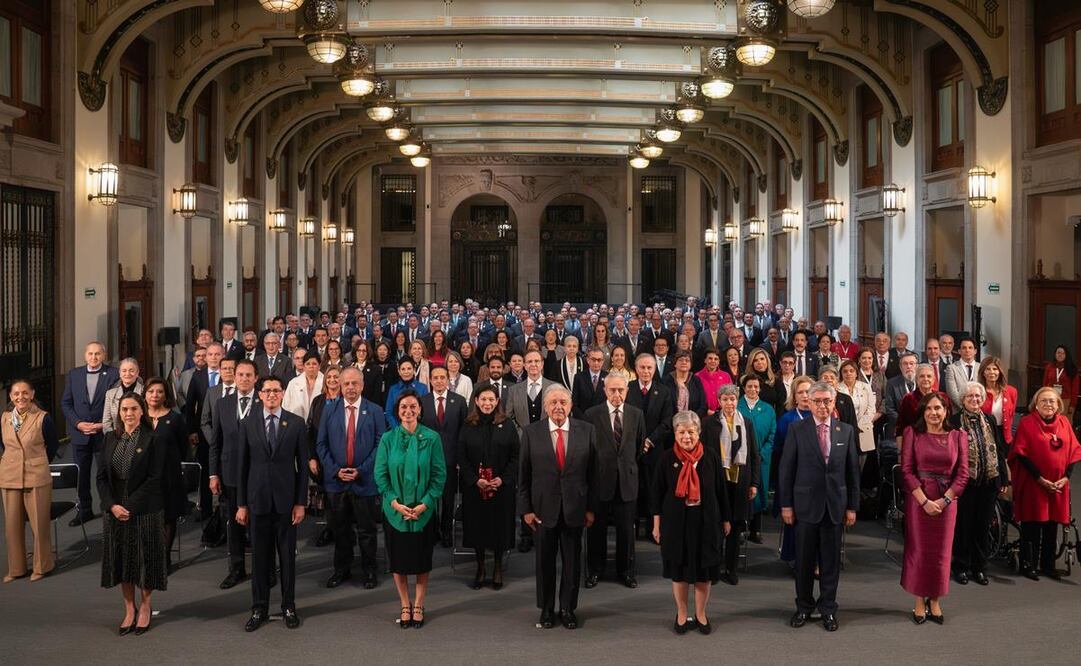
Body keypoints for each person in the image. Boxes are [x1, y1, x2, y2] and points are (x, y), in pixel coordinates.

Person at [778, 381, 860, 632]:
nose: (822, 405)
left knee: (831, 563)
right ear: (809, 402)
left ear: (833, 403)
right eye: (818, 401)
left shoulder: (845, 431)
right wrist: (786, 505)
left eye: (827, 401)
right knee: (803, 562)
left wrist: (852, 507)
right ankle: (803, 607)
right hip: (804, 506)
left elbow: (852, 472)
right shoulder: (796, 429)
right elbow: (786, 470)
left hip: (835, 506)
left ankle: (828, 609)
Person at [519, 385, 597, 630]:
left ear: (571, 405)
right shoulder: (532, 432)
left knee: (573, 564)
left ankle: (567, 609)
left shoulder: (587, 431)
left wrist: (591, 508)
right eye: (553, 402)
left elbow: (594, 474)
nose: (558, 407)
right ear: (545, 407)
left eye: (563, 402)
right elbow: (524, 475)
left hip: (575, 508)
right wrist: (526, 510)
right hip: (542, 510)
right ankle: (546, 609)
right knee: (544, 563)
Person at [236, 376, 308, 632]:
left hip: (287, 503)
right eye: (267, 391)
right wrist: (241, 504)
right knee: (259, 559)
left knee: (287, 558)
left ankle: (288, 606)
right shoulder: (247, 424)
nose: (271, 395)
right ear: (259, 394)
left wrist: (301, 503)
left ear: (283, 393)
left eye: (276, 391)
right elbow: (242, 467)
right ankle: (259, 608)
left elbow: (302, 469)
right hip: (257, 502)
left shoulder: (296, 424)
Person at [651, 410, 731, 634]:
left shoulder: (712, 456)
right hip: (676, 523)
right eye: (682, 432)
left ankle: (701, 613)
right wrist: (656, 525)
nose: (687, 436)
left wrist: (726, 519)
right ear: (675, 434)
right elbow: (656, 494)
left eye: (691, 432)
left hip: (706, 522)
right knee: (680, 570)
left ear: (699, 433)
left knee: (704, 572)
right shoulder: (666, 458)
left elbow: (720, 491)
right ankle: (682, 613)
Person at [375, 390, 446, 629]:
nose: (408, 411)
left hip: (423, 510)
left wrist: (425, 503)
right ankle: (405, 603)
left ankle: (419, 604)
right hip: (395, 510)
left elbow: (439, 475)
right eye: (403, 407)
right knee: (399, 561)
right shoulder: (387, 439)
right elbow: (380, 474)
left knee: (421, 561)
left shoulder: (433, 438)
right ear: (397, 411)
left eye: (412, 406)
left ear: (420, 409)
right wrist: (395, 503)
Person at [98, 392, 167, 635]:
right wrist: (112, 506)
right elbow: (101, 479)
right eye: (124, 409)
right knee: (122, 560)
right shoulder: (109, 438)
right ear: (119, 413)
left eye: (133, 409)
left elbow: (155, 478)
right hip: (115, 509)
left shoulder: (153, 439)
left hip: (144, 509)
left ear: (142, 411)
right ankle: (129, 608)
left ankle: (146, 606)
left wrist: (130, 506)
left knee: (144, 560)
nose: (128, 414)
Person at [900, 392, 969, 624]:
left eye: (938, 408)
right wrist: (924, 501)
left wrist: (945, 500)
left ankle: (936, 600)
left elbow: (963, 474)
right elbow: (907, 471)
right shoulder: (912, 433)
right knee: (920, 552)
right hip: (919, 500)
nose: (933, 413)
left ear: (946, 411)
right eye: (929, 408)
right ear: (923, 411)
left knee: (941, 554)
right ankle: (919, 600)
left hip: (947, 502)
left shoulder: (959, 436)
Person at [317, 367, 386, 590]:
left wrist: (362, 470)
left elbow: (380, 444)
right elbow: (321, 444)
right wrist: (336, 470)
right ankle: (341, 570)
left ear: (362, 385)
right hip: (336, 482)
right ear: (339, 384)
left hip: (364, 481)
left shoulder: (374, 410)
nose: (350, 388)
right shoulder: (329, 409)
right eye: (346, 383)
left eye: (354, 383)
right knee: (340, 529)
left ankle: (369, 571)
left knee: (367, 531)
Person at [1008, 387, 1081, 580]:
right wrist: (1040, 479)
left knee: (1052, 525)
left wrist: (1066, 477)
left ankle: (1048, 565)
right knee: (1032, 524)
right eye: (1044, 401)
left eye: (1052, 401)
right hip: (1034, 482)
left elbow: (1074, 451)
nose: (1048, 404)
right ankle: (1028, 564)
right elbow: (1020, 454)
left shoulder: (1064, 422)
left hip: (1059, 484)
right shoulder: (1027, 423)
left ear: (1058, 405)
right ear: (1036, 405)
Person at [584, 374, 645, 589]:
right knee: (596, 530)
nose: (617, 394)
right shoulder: (592, 414)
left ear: (627, 391)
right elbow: (588, 451)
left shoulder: (637, 414)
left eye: (621, 390)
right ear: (605, 390)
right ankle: (594, 570)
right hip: (600, 482)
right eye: (613, 390)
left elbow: (638, 447)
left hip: (627, 482)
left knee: (626, 531)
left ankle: (626, 571)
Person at [458, 385, 519, 590]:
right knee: (477, 527)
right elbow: (462, 457)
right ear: (476, 401)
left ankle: (498, 567)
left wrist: (503, 479)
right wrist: (475, 480)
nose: (487, 403)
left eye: (491, 400)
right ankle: (481, 566)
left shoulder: (507, 424)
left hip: (501, 487)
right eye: (483, 399)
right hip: (475, 488)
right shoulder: (468, 425)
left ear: (497, 401)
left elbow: (515, 457)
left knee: (499, 527)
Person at [950, 382, 1009, 586]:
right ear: (963, 400)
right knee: (964, 527)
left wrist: (1003, 478)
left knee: (983, 527)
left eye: (978, 396)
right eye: (970, 397)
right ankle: (960, 566)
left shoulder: (990, 419)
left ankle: (979, 568)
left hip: (989, 482)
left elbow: (999, 450)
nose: (974, 400)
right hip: (966, 483)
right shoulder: (955, 421)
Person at [1, 379, 60, 582]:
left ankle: (42, 566)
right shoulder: (5, 417)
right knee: (12, 526)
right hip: (9, 475)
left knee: (39, 524)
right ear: (10, 396)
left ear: (32, 394)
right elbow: (4, 445)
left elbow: (52, 446)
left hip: (36, 476)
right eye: (16, 393)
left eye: (25, 393)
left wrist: (38, 463)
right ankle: (16, 569)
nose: (21, 397)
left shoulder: (43, 418)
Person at [209, 359, 260, 589]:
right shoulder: (223, 404)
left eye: (249, 375)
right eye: (240, 374)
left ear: (256, 378)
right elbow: (215, 443)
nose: (244, 379)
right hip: (229, 472)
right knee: (234, 524)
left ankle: (263, 569)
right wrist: (213, 474)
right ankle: (236, 568)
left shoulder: (264, 401)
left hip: (258, 474)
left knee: (259, 525)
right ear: (233, 377)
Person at [702, 384, 760, 585]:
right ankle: (714, 569)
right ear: (719, 402)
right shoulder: (709, 423)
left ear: (737, 400)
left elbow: (754, 454)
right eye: (725, 399)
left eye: (733, 399)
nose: (729, 403)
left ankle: (731, 569)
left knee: (735, 528)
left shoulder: (747, 422)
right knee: (716, 527)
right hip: (717, 481)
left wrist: (754, 483)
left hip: (740, 481)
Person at [60, 341, 120, 526]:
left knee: (106, 473)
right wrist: (78, 424)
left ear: (104, 355)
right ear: (85, 355)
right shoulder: (74, 374)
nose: (93, 357)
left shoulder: (113, 374)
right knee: (81, 474)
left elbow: (116, 404)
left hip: (104, 433)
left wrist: (102, 425)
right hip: (81, 433)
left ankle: (109, 508)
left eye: (97, 354)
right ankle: (84, 511)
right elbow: (66, 403)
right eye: (90, 354)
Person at [627, 354, 675, 539]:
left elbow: (667, 421)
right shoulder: (628, 388)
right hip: (632, 449)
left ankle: (651, 530)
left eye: (649, 368)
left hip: (655, 450)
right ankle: (632, 528)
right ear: (636, 369)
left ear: (654, 370)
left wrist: (649, 441)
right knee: (633, 489)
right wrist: (638, 442)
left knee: (653, 489)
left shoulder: (663, 391)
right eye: (642, 367)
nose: (646, 371)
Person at [142, 378, 188, 572]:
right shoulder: (139, 417)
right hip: (144, 477)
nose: (155, 395)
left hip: (169, 476)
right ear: (145, 394)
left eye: (159, 392)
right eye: (151, 391)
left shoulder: (175, 418)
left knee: (168, 517)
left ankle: (164, 557)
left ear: (166, 395)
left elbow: (183, 448)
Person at [420, 367, 468, 547]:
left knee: (448, 498)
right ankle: (432, 531)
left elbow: (464, 433)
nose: (439, 381)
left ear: (448, 380)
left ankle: (447, 530)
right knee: (430, 496)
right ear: (430, 380)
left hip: (451, 460)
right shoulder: (422, 401)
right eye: (435, 378)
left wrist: (460, 459)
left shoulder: (460, 401)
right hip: (428, 459)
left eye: (442, 377)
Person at [738, 374, 776, 544]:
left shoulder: (768, 409)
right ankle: (739, 530)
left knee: (759, 491)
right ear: (744, 388)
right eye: (749, 386)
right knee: (741, 492)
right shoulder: (737, 406)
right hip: (740, 458)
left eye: (756, 387)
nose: (753, 389)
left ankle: (756, 530)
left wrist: (763, 453)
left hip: (761, 458)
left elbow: (772, 434)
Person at [978, 356, 1017, 445]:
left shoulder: (1012, 391)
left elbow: (1012, 415)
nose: (992, 372)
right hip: (984, 437)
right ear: (983, 372)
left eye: (995, 369)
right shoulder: (978, 391)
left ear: (1000, 372)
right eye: (988, 369)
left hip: (1005, 436)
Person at [101, 358, 143, 435]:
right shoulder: (110, 394)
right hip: (116, 438)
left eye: (131, 371)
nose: (127, 374)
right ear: (120, 373)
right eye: (124, 371)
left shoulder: (145, 392)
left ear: (137, 373)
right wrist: (113, 439)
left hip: (140, 438)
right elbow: (106, 422)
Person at [384, 358, 430, 428]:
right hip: (397, 430)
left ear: (414, 370)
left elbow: (425, 412)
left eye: (409, 368)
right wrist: (398, 429)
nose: (406, 371)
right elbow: (389, 413)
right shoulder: (393, 389)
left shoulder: (422, 388)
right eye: (403, 369)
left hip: (418, 430)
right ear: (399, 371)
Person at [664, 351, 708, 418]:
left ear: (690, 365)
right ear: (675, 364)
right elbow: (664, 405)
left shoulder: (696, 380)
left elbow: (703, 404)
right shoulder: (667, 381)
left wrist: (693, 418)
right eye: (680, 360)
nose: (684, 362)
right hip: (671, 421)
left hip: (693, 421)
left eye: (687, 360)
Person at [282, 351, 324, 420]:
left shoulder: (326, 382)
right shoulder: (293, 383)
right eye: (308, 364)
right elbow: (285, 407)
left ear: (319, 366)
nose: (311, 366)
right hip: (296, 425)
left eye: (314, 364)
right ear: (304, 366)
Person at [1042, 345, 1079, 419]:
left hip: (1065, 401)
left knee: (1063, 425)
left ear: (1066, 355)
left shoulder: (1072, 369)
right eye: (1058, 353)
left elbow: (1075, 389)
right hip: (1050, 399)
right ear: (1055, 354)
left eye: (1063, 353)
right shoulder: (1049, 367)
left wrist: (1072, 404)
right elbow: (1045, 384)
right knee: (1050, 422)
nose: (1060, 355)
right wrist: (1043, 398)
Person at [571, 347, 608, 418]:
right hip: (583, 420)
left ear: (603, 361)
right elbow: (574, 404)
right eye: (593, 359)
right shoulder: (579, 377)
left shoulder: (608, 377)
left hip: (602, 420)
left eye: (599, 360)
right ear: (588, 360)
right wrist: (584, 418)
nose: (596, 363)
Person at [944, 338, 980, 407]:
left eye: (970, 348)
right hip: (959, 411)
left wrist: (976, 406)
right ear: (959, 351)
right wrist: (967, 407)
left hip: (978, 410)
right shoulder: (951, 368)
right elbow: (952, 393)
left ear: (975, 351)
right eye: (964, 348)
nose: (967, 350)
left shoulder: (981, 367)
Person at [695, 348, 731, 415]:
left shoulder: (726, 376)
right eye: (710, 358)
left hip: (723, 414)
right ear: (705, 360)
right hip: (702, 415)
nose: (713, 361)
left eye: (716, 359)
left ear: (719, 361)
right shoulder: (697, 376)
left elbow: (730, 395)